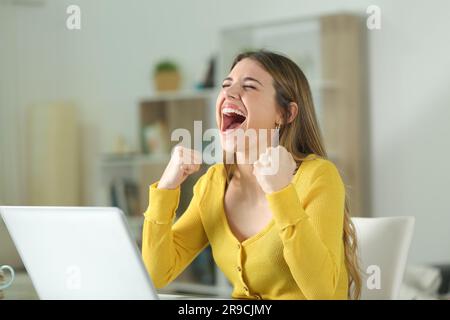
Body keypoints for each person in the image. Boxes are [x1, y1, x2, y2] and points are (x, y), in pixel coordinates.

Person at [142, 50, 361, 300]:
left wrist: (281, 194)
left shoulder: (318, 177)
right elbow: (156, 273)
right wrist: (166, 189)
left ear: (286, 114)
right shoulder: (214, 183)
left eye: (249, 86)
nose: (229, 93)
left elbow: (323, 293)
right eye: (226, 85)